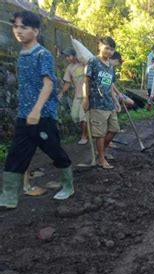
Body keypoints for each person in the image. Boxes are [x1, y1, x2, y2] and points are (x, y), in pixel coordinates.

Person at [0, 11, 74, 209]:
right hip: (24, 115)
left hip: (43, 115)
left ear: (35, 30)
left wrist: (37, 110)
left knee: (54, 150)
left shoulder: (43, 54)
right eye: (15, 27)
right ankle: (8, 196)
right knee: (16, 154)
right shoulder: (22, 55)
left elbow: (48, 84)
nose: (18, 31)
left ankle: (68, 184)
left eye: (23, 27)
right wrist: (28, 111)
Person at [83, 36, 120, 170]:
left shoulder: (110, 65)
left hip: (109, 103)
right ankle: (101, 159)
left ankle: (101, 153)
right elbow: (86, 81)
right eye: (107, 48)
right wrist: (86, 98)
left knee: (114, 129)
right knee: (100, 133)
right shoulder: (92, 61)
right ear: (99, 46)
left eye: (112, 50)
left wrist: (116, 100)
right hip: (97, 103)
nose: (110, 52)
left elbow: (110, 85)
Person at [58, 48, 88, 145]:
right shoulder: (69, 68)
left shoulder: (84, 63)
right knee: (75, 116)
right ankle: (88, 132)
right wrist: (61, 92)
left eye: (69, 56)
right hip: (77, 95)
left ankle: (84, 136)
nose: (67, 58)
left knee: (83, 117)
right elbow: (67, 83)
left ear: (75, 56)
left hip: (87, 95)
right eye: (66, 57)